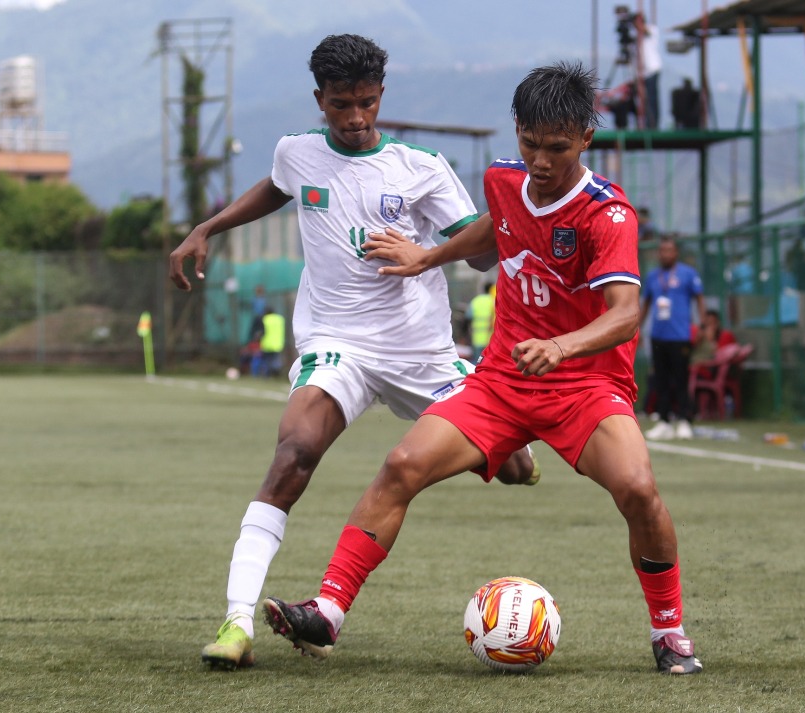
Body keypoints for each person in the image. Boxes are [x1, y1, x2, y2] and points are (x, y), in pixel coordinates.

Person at [259, 61, 703, 676]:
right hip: (500, 382)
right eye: (530, 144)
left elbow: (626, 314)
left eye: (558, 148)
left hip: (584, 386)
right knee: (401, 465)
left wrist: (563, 347)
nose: (542, 161)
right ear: (516, 131)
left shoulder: (609, 214)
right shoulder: (502, 179)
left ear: (585, 141)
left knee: (637, 489)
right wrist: (428, 256)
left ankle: (669, 632)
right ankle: (328, 611)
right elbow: (495, 231)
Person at [167, 33, 538, 670]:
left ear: (381, 95)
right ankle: (235, 624)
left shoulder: (421, 167)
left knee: (514, 468)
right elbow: (278, 186)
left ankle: (515, 447)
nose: (357, 117)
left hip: (424, 354)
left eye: (367, 102)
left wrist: (441, 248)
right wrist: (207, 227)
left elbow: (480, 250)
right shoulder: (297, 153)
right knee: (295, 452)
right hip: (338, 345)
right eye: (342, 104)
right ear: (321, 100)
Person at [641, 237, 706, 440]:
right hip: (658, 335)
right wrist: (636, 329)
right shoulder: (653, 276)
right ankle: (664, 421)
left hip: (680, 336)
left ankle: (685, 419)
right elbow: (646, 304)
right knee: (660, 379)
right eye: (662, 250)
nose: (665, 254)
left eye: (669, 250)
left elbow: (699, 299)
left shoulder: (688, 274)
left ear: (676, 253)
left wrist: (701, 324)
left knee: (680, 378)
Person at [633, 13, 662, 129]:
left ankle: (653, 124)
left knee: (651, 98)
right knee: (643, 99)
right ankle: (646, 122)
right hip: (643, 72)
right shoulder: (636, 38)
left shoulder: (652, 30)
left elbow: (646, 31)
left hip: (652, 69)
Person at [465, 282, 495, 363]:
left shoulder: (476, 300)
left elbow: (468, 316)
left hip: (477, 337)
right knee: (489, 361)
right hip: (490, 337)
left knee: (477, 362)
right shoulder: (493, 300)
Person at [252, 307, 286, 377]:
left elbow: (261, 331)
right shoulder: (280, 319)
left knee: (267, 361)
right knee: (275, 361)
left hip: (267, 343)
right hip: (278, 343)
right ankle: (276, 373)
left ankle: (267, 375)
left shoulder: (265, 319)